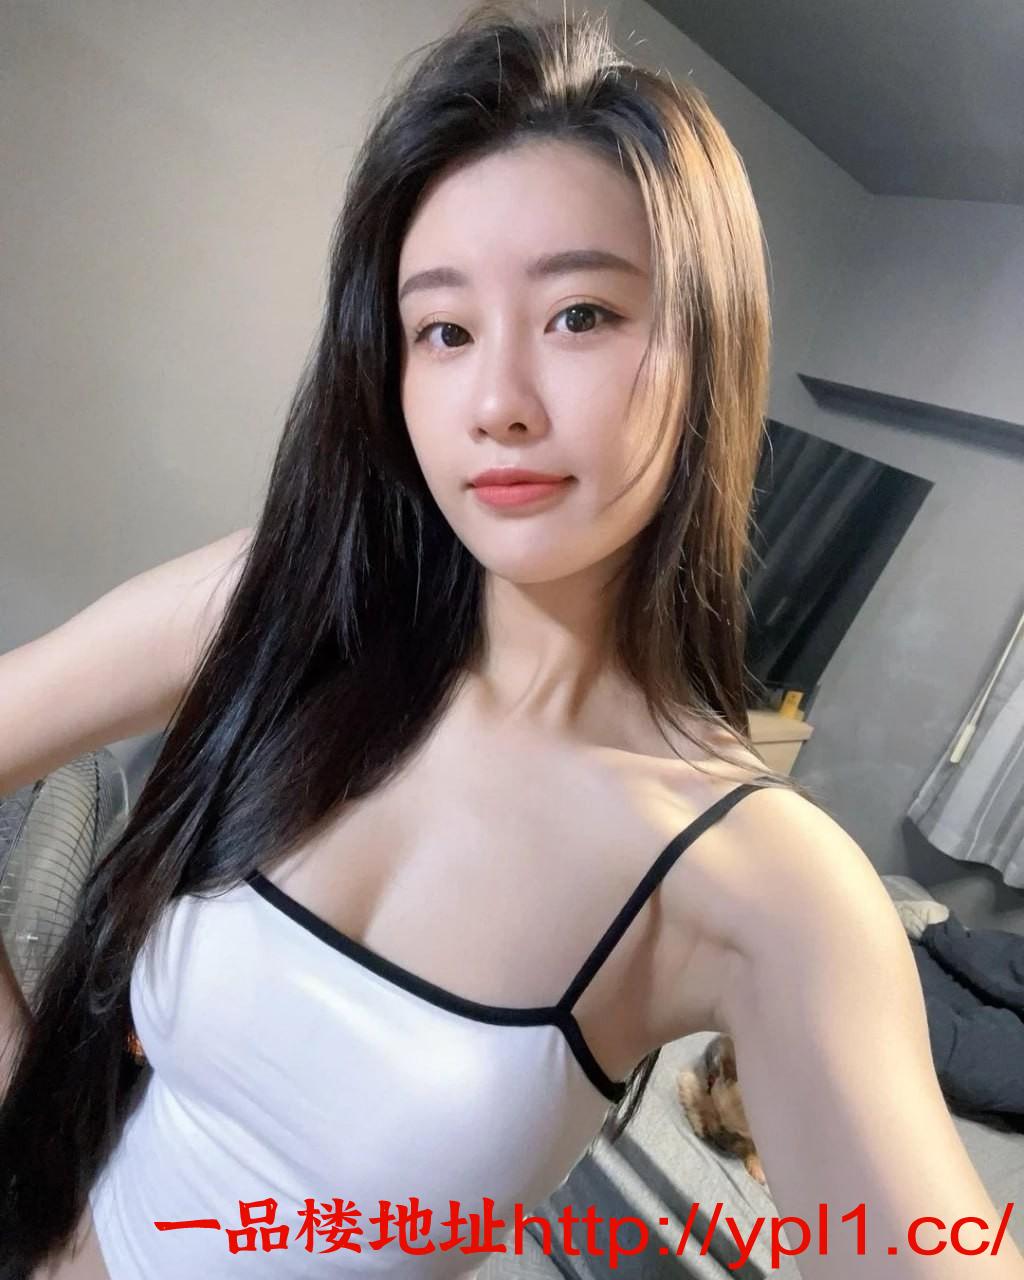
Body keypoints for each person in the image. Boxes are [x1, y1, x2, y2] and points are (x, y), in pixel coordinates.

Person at [1, 3, 1020, 1278]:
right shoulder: (274, 606)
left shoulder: (755, 881)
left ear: (706, 352)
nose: (495, 402)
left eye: (579, 314)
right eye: (444, 330)